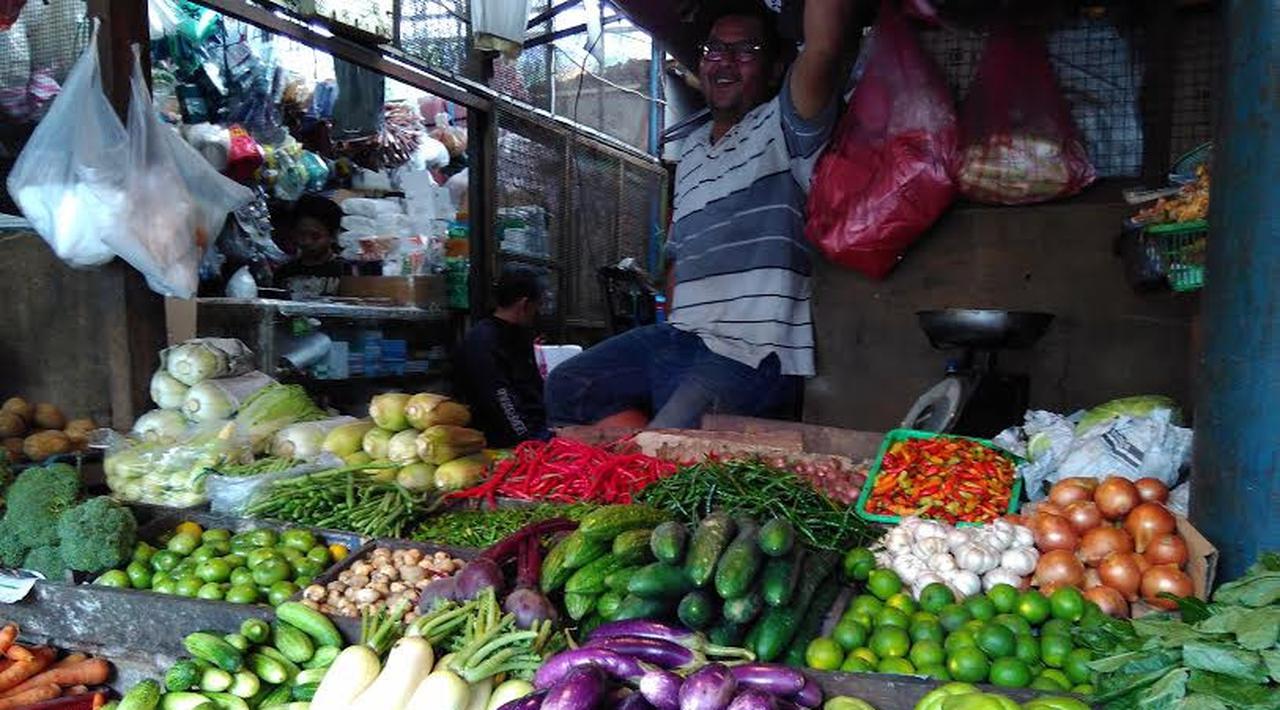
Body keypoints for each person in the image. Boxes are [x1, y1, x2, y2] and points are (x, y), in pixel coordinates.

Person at [546, 0, 852, 430]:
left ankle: (650, 459)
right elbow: (678, 258)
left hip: (751, 352)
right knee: (568, 385)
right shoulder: (689, 152)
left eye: (745, 50)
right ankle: (632, 461)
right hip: (680, 337)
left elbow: (823, 48)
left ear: (775, 68)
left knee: (668, 444)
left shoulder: (785, 126)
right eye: (714, 50)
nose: (725, 61)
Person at [455, 267, 552, 447]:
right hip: (503, 439)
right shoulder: (483, 340)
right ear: (524, 304)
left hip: (535, 427)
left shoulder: (519, 334)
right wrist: (530, 440)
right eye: (538, 305)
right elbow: (501, 400)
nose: (538, 312)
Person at [274, 194, 345, 299]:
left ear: (333, 236)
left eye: (315, 236)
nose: (306, 241)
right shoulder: (284, 273)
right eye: (301, 234)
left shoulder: (344, 271)